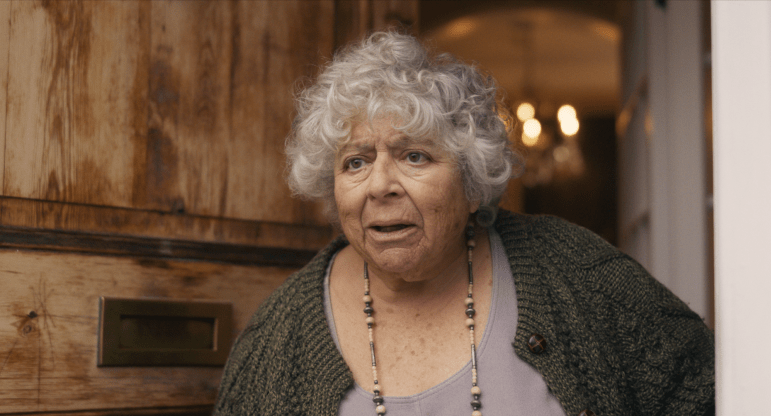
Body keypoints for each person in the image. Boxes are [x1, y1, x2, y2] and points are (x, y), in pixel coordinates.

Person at [213, 31, 714, 416]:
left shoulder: (575, 273)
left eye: (414, 155)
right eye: (355, 162)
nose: (379, 185)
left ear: (472, 182)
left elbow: (706, 388)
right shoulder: (276, 343)